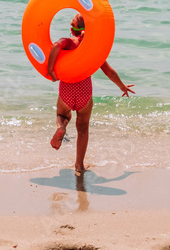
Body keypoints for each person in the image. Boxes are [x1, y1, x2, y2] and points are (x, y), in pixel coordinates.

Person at [47, 13, 134, 175]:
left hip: (67, 88)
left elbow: (55, 46)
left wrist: (51, 69)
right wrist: (122, 86)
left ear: (72, 30)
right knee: (83, 128)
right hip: (84, 91)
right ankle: (79, 165)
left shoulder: (68, 42)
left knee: (62, 114)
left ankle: (61, 127)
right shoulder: (93, 48)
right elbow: (109, 72)